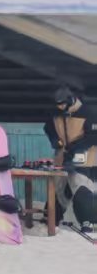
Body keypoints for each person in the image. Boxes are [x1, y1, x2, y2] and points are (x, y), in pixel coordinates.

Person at [47, 87, 97, 234]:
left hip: (85, 156)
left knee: (80, 184)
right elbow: (48, 127)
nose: (60, 107)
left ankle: (88, 221)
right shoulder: (56, 112)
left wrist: (75, 147)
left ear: (71, 100)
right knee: (59, 186)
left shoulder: (88, 112)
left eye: (63, 104)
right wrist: (55, 141)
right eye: (58, 105)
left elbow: (93, 136)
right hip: (63, 155)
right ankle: (52, 217)